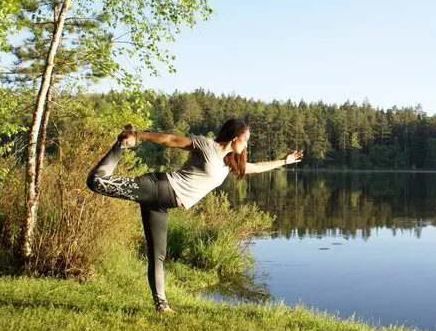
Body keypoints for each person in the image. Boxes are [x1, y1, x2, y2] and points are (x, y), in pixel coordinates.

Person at [86, 118, 303, 313]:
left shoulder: (229, 163)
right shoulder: (206, 144)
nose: (246, 145)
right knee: (95, 182)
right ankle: (122, 143)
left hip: (161, 205)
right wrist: (137, 135)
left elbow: (255, 167)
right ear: (235, 138)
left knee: (157, 255)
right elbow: (171, 139)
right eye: (245, 140)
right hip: (158, 187)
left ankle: (162, 306)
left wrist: (284, 161)